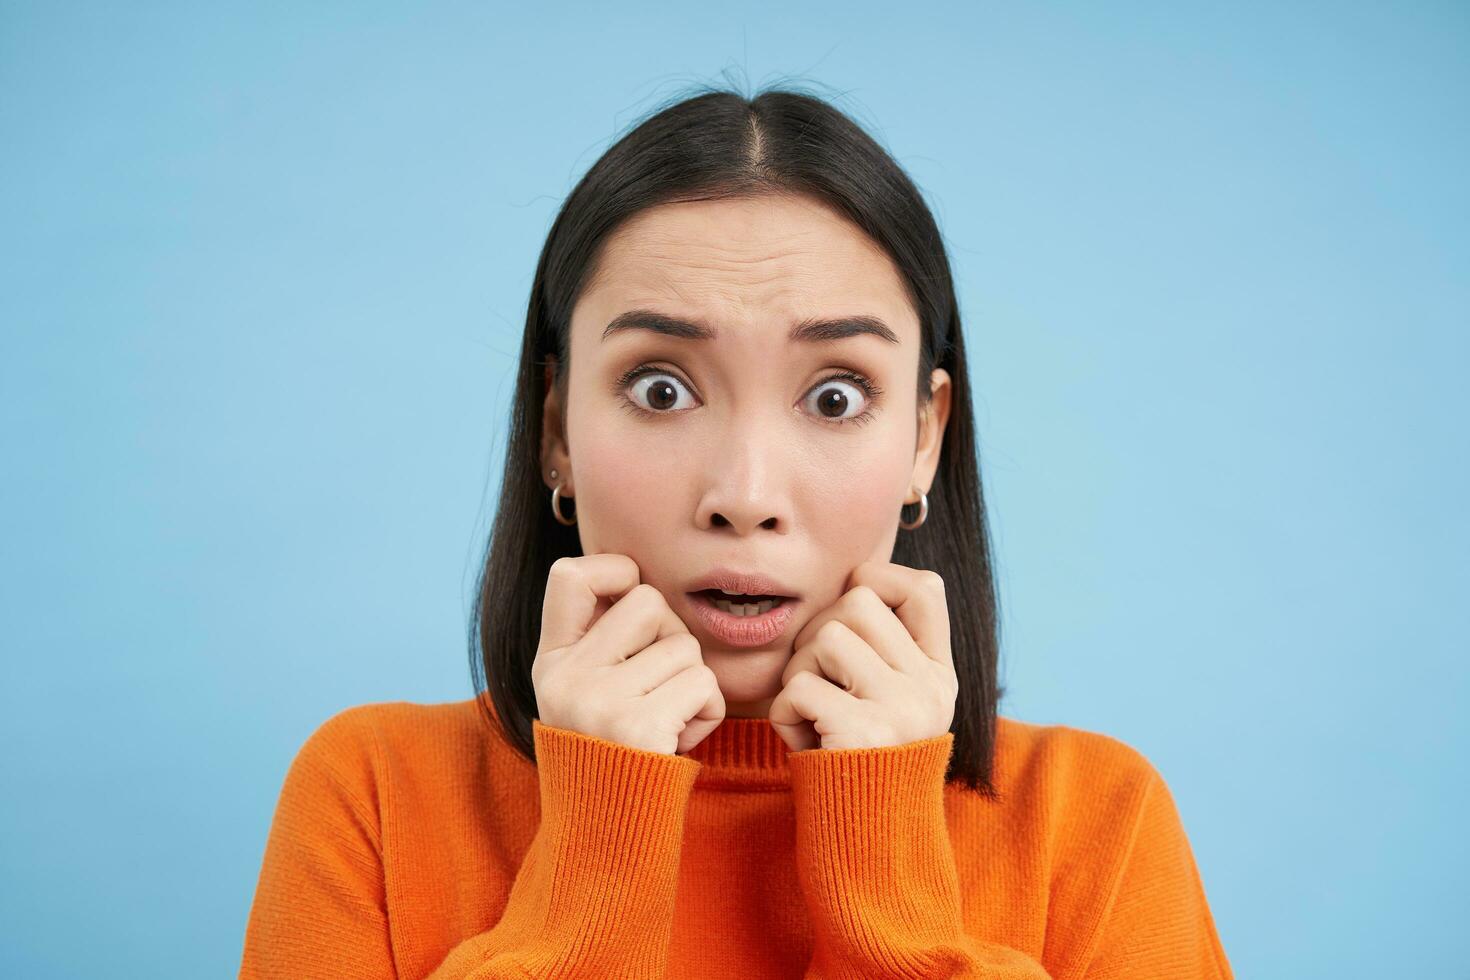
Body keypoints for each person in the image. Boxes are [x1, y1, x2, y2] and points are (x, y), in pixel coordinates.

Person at [239, 85, 1234, 979]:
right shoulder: (372, 793)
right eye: (661, 387)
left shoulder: (1097, 820)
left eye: (836, 395)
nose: (745, 493)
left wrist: (885, 878)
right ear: (557, 433)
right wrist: (597, 854)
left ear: (925, 438)